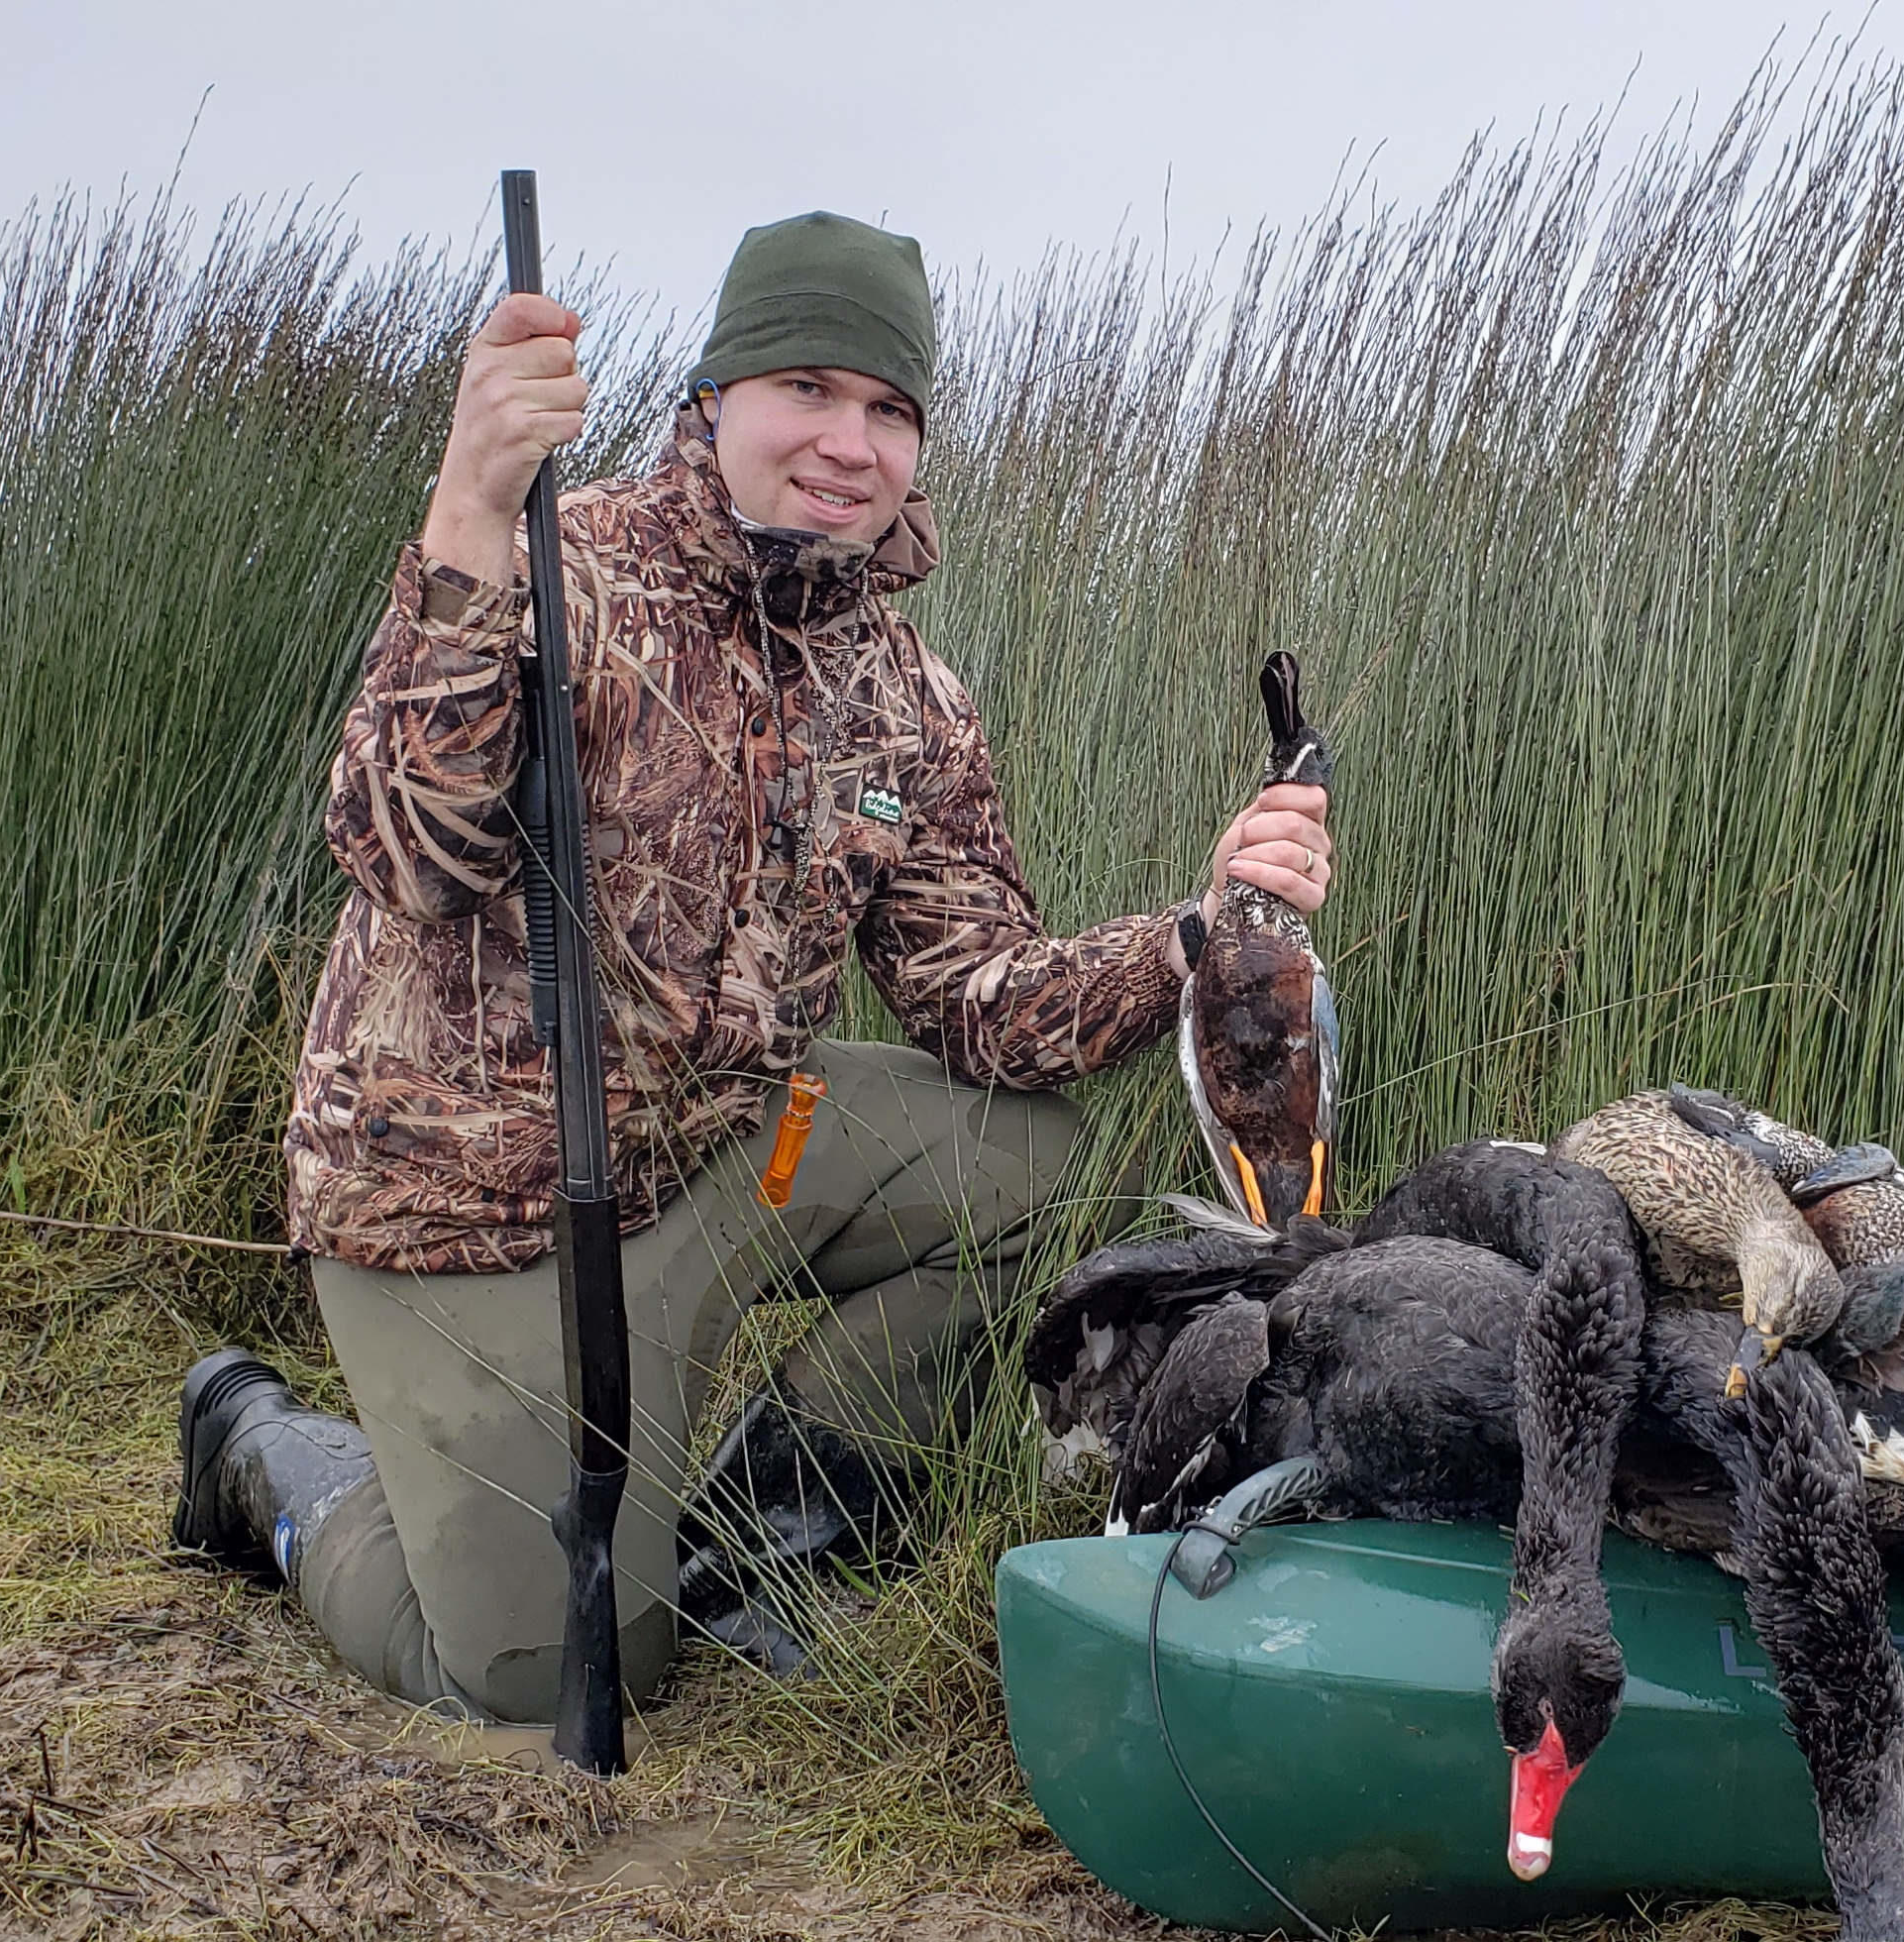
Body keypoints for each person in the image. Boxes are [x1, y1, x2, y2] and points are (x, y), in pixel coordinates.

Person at [168, 212, 1333, 1721]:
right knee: (549, 1678)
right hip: (457, 1211)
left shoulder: (910, 693)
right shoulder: (551, 569)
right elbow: (405, 851)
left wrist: (1200, 931)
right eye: (808, 389)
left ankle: (764, 1538)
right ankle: (269, 1450)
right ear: (713, 398)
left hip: (718, 1160)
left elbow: (977, 1003)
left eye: (892, 410)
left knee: (1020, 1153)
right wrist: (466, 506)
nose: (851, 443)